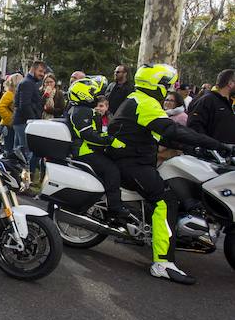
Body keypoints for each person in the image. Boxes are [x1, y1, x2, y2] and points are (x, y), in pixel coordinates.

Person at [108, 64, 232, 285]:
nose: (168, 89)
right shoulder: (145, 103)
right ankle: (162, 263)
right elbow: (173, 130)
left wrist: (197, 148)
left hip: (135, 159)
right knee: (166, 199)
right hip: (132, 164)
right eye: (166, 85)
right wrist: (216, 144)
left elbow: (162, 136)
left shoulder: (139, 100)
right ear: (156, 85)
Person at [67, 76, 128, 223]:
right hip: (84, 151)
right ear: (84, 94)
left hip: (89, 149)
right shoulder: (81, 111)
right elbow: (88, 135)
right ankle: (115, 209)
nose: (96, 96)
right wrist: (110, 141)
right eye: (93, 93)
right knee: (111, 170)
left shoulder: (83, 110)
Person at [12, 60, 47, 172]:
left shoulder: (30, 83)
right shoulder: (27, 83)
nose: (42, 74)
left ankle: (19, 176)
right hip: (24, 122)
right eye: (40, 71)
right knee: (27, 152)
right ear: (33, 69)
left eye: (43, 72)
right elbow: (25, 105)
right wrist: (33, 122)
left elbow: (32, 103)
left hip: (22, 121)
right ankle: (26, 178)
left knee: (19, 151)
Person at [186, 69, 234, 143]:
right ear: (230, 84)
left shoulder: (230, 103)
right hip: (211, 152)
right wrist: (211, 146)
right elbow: (194, 127)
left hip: (228, 153)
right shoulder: (207, 100)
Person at [0, 74, 21, 152]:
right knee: (9, 148)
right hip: (7, 125)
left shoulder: (14, 93)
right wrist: (11, 119)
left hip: (9, 124)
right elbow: (0, 107)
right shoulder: (9, 94)